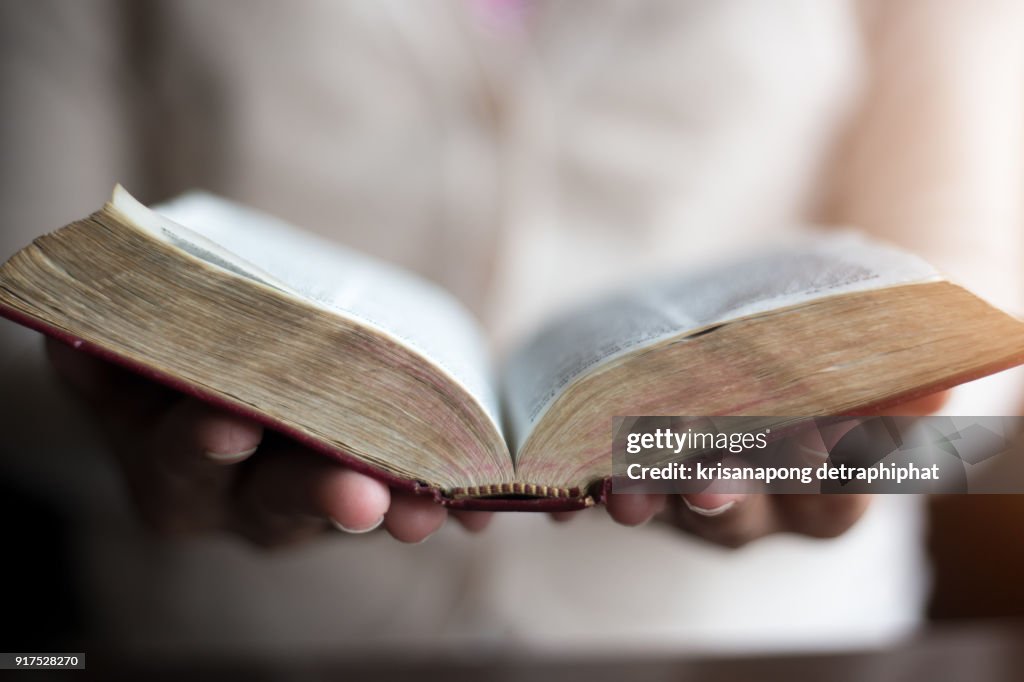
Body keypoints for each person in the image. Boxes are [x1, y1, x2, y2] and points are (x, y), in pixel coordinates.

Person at [1, 0, 1021, 656]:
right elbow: (30, 311)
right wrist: (118, 433)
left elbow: (984, 370)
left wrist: (871, 462)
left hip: (764, 651)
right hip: (234, 643)